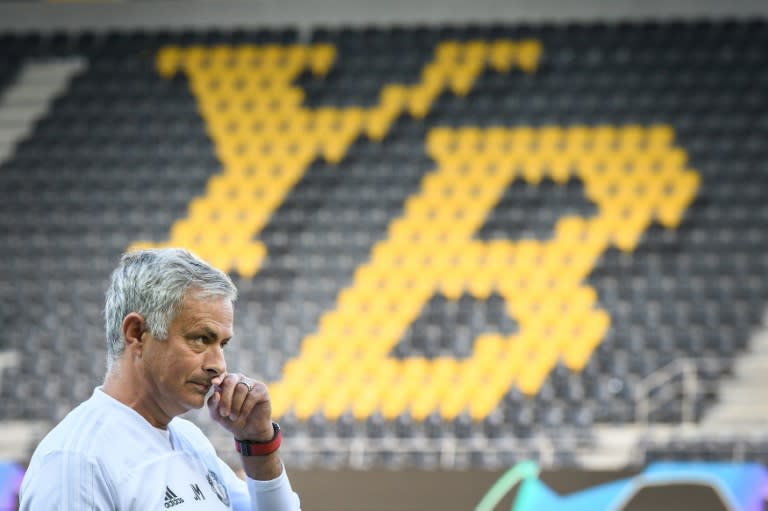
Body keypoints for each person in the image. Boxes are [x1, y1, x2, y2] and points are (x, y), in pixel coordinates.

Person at [19, 248, 301, 510]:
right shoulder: (77, 462)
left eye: (222, 345)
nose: (219, 365)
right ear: (137, 333)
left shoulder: (191, 440)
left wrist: (258, 444)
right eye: (201, 339)